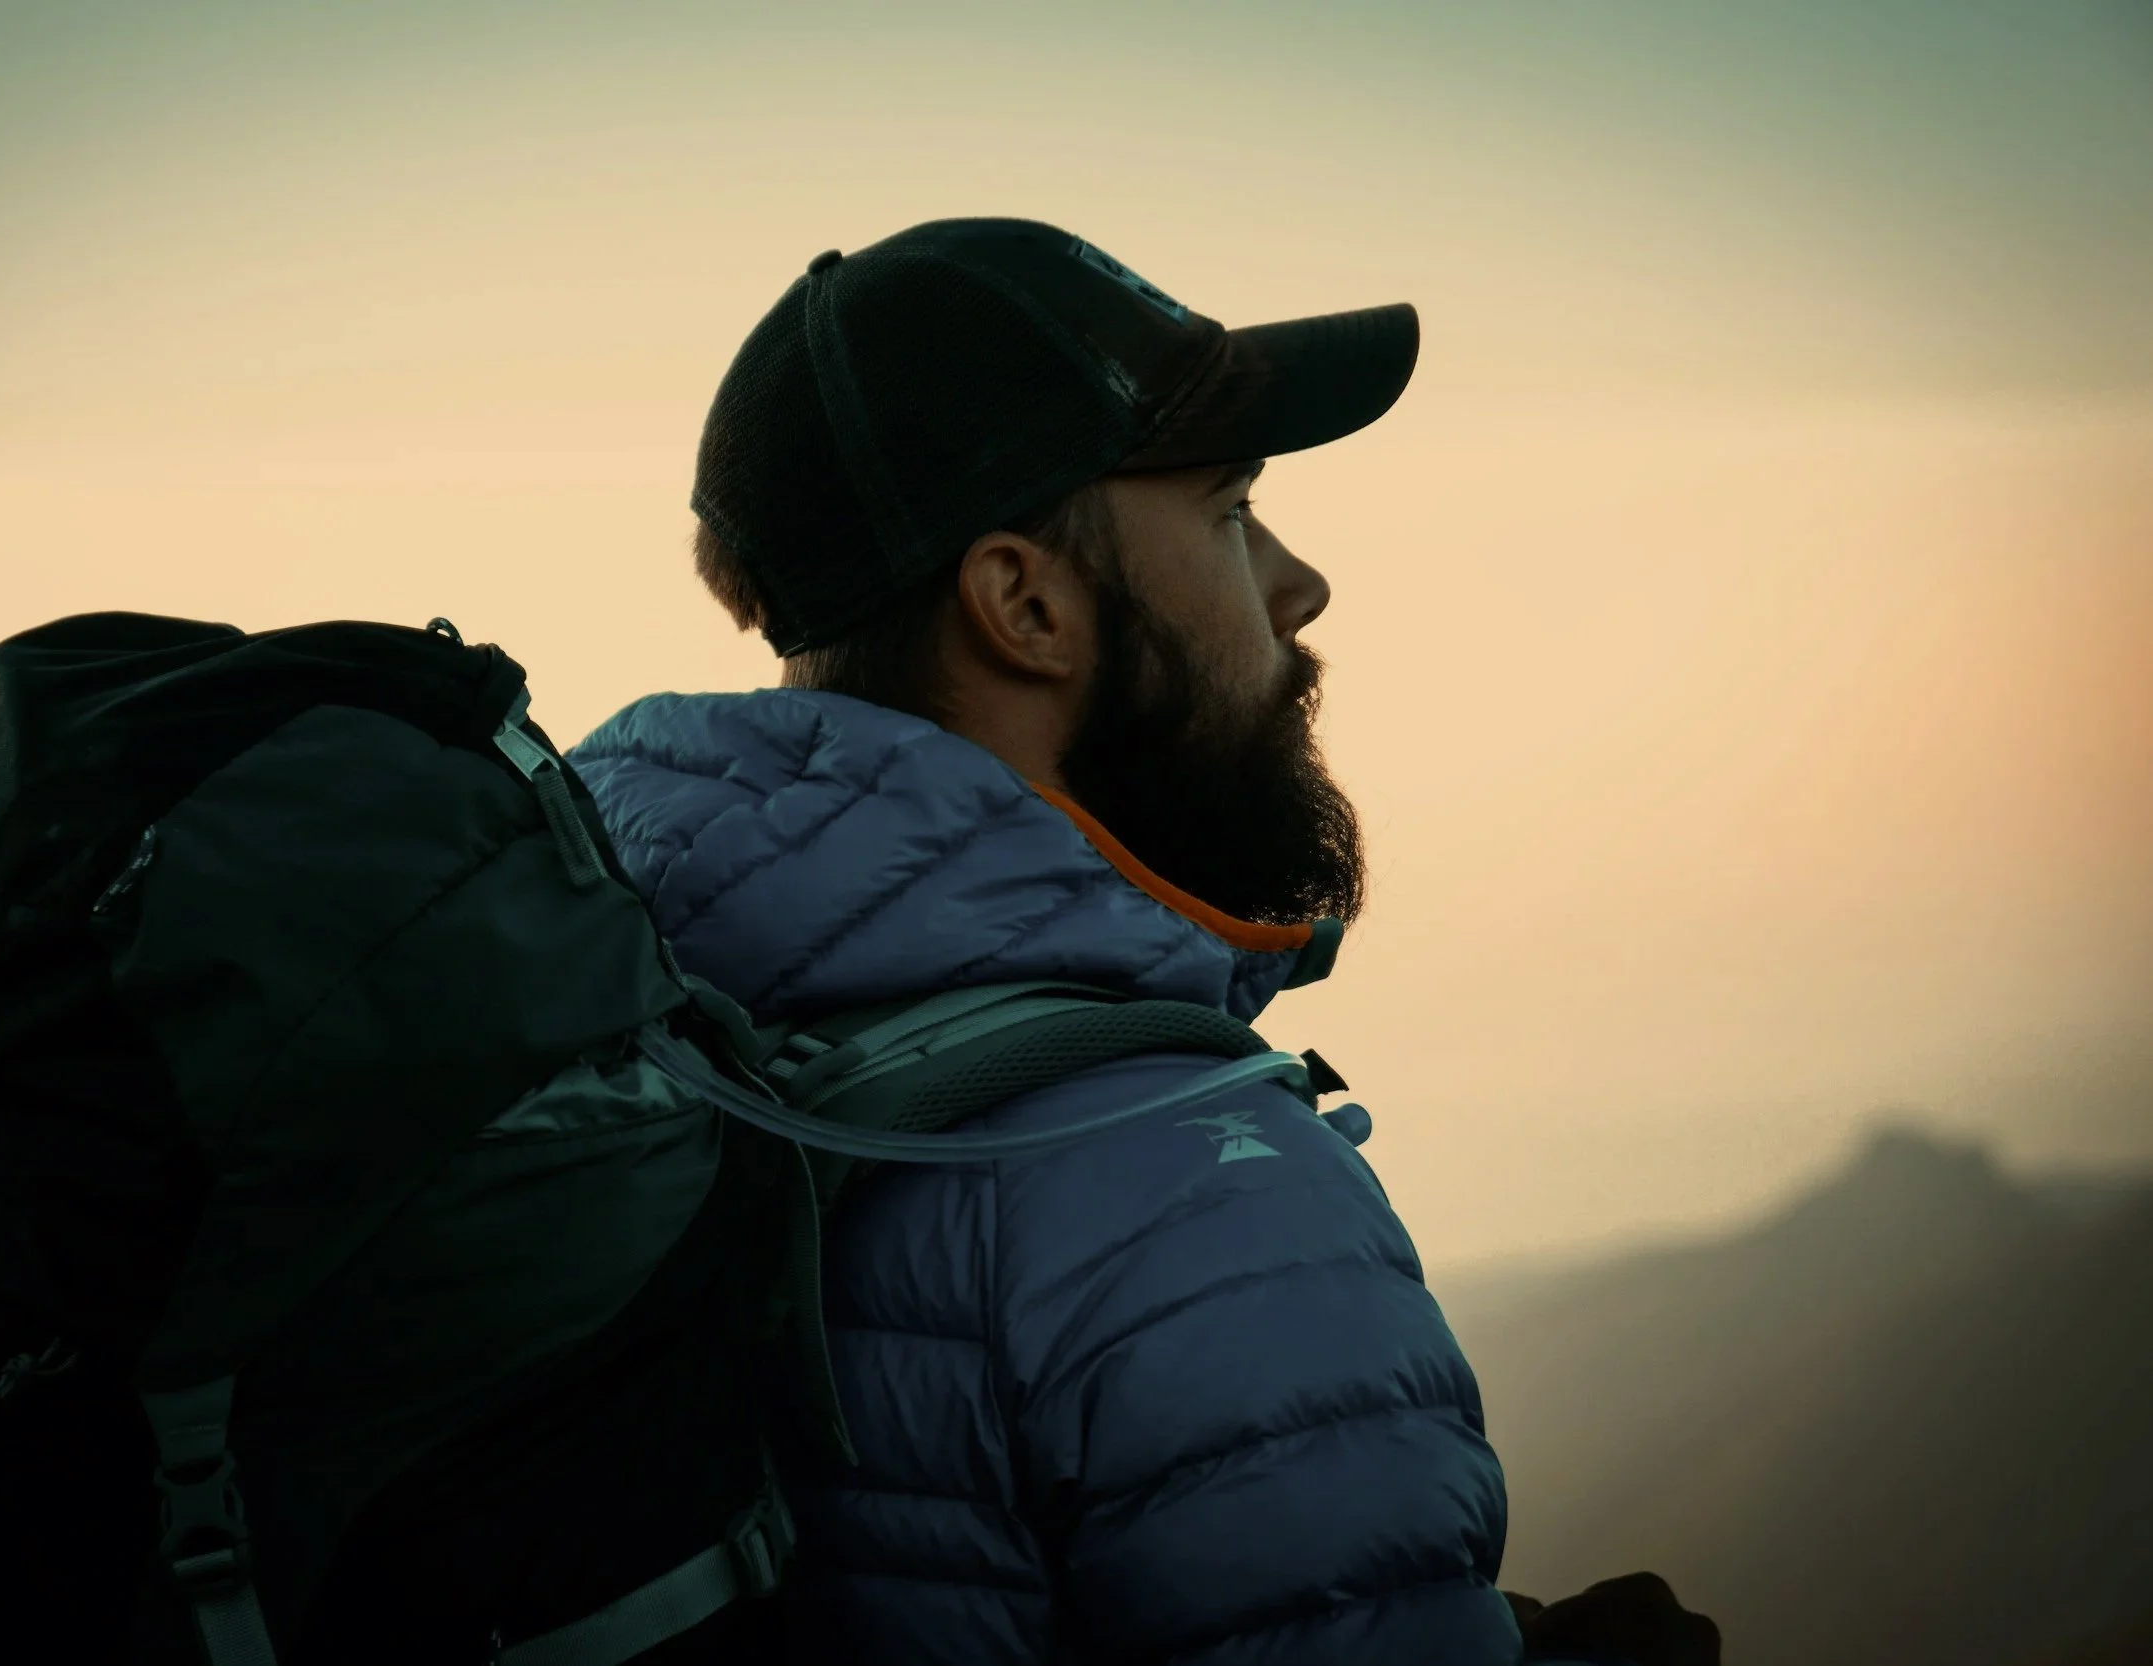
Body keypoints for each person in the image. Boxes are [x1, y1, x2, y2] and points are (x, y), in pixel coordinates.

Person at [571, 219, 1699, 1664]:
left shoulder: (648, 1027)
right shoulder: (1187, 1193)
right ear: (1026, 604)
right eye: (1230, 511)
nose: (1299, 582)